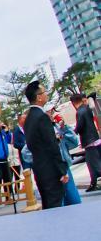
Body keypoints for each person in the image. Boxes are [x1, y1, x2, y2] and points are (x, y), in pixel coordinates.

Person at [23, 81, 68, 209]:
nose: (46, 94)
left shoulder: (28, 119)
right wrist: (62, 170)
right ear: (39, 97)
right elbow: (52, 145)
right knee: (55, 208)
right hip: (51, 171)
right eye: (44, 92)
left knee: (48, 207)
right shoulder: (42, 117)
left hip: (39, 169)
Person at [71, 93, 100, 192]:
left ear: (73, 103)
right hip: (95, 138)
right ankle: (93, 183)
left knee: (94, 163)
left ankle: (94, 183)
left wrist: (73, 132)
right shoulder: (87, 108)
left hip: (89, 141)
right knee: (91, 163)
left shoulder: (79, 112)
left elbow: (79, 126)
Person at [53, 112, 82, 206]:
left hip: (64, 165)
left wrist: (64, 127)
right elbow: (26, 152)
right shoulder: (40, 129)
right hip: (51, 168)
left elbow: (74, 142)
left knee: (73, 199)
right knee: (59, 202)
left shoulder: (57, 127)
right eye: (50, 111)